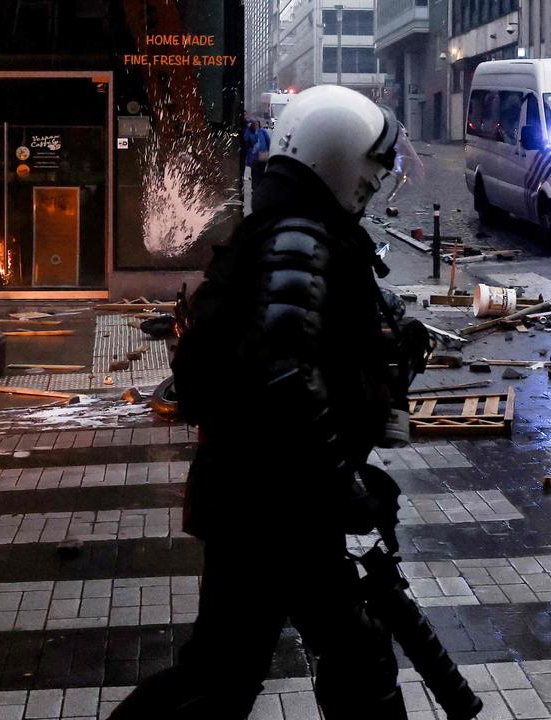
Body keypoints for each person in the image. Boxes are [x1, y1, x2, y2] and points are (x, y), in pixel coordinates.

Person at [110, 86, 420, 719]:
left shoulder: (292, 231)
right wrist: (344, 480)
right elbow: (284, 373)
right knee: (233, 674)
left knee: (275, 665)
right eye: (371, 165)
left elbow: (306, 352)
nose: (377, 179)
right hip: (274, 505)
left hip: (269, 499)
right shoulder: (300, 240)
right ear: (339, 162)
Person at [248, 119, 272, 189]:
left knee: (261, 171)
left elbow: (268, 140)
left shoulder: (262, 131)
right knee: (254, 172)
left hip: (262, 155)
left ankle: (260, 186)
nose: (256, 126)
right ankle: (254, 187)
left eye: (257, 124)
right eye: (254, 124)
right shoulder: (250, 133)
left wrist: (267, 150)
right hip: (254, 156)